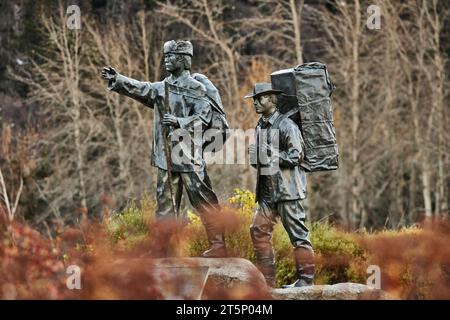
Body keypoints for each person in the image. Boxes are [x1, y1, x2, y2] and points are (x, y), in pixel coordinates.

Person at [101, 40, 226, 257]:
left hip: (189, 155)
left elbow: (203, 119)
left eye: (172, 56)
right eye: (165, 56)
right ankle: (164, 248)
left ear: (184, 60)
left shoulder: (197, 88)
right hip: (166, 157)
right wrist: (118, 80)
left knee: (203, 199)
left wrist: (179, 121)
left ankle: (218, 245)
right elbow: (141, 88)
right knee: (165, 204)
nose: (166, 60)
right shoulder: (162, 88)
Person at [246, 83, 315, 288]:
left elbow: (296, 155)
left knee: (298, 235)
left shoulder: (287, 125)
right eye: (254, 99)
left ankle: (306, 280)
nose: (255, 102)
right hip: (267, 191)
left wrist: (272, 154)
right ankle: (267, 281)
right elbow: (259, 157)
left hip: (287, 190)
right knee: (258, 231)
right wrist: (255, 155)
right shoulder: (260, 125)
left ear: (272, 99)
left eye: (260, 99)